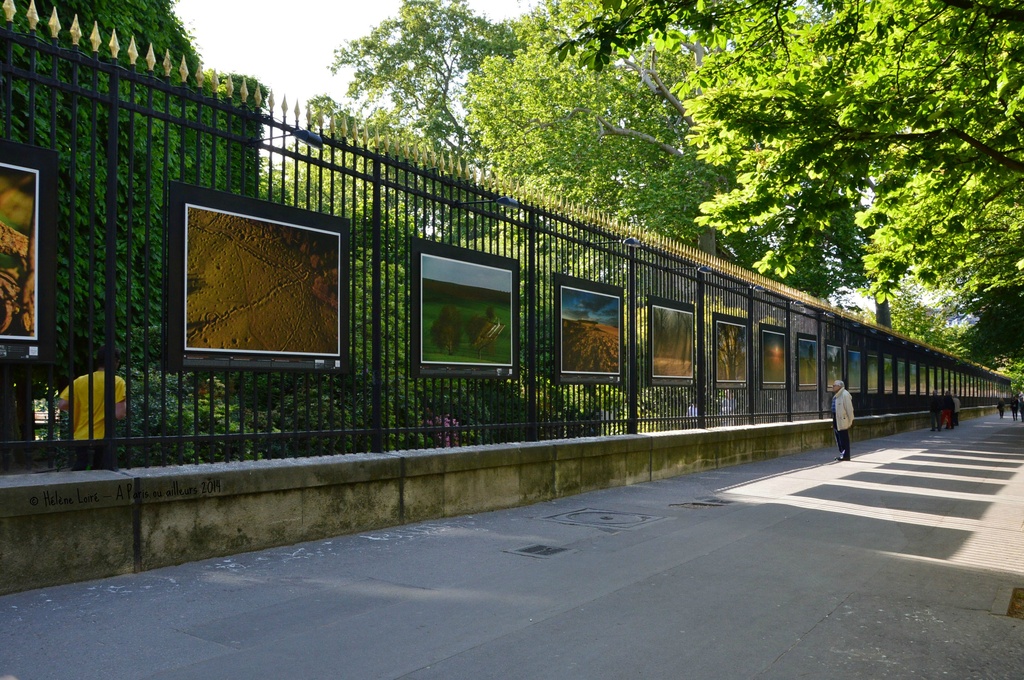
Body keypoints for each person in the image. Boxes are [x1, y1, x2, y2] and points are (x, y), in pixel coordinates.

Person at [57, 346, 127, 471]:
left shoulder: (80, 381)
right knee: (100, 472)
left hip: (81, 436)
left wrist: (82, 403)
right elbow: (119, 414)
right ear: (115, 362)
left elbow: (62, 405)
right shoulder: (116, 382)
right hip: (103, 437)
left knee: (82, 468)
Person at [831, 379, 854, 462]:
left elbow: (849, 409)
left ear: (839, 386)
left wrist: (850, 421)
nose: (832, 387)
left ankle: (846, 455)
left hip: (842, 420)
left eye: (834, 385)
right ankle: (842, 454)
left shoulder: (844, 394)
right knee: (838, 438)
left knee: (843, 438)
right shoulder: (837, 395)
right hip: (836, 418)